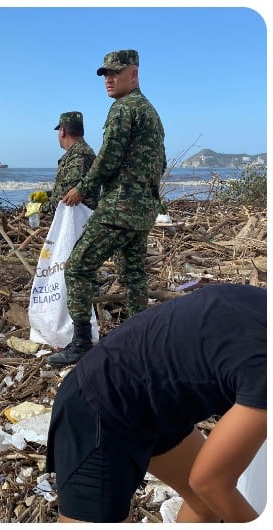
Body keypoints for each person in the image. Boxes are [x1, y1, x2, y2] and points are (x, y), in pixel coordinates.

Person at [47, 283, 266, 523]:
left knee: (206, 504)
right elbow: (210, 482)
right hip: (96, 407)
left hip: (155, 403)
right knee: (211, 490)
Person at [47, 49, 166, 367]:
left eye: (116, 73)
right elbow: (160, 161)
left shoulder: (124, 108)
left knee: (77, 267)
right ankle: (141, 340)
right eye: (106, 74)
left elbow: (108, 157)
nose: (109, 79)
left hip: (120, 208)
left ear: (134, 74)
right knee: (133, 274)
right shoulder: (150, 112)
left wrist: (82, 189)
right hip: (142, 210)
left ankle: (81, 343)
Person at [25, 111, 98, 221]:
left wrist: (40, 207)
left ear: (63, 131)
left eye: (58, 131)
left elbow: (65, 200)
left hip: (78, 223)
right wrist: (47, 195)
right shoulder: (78, 153)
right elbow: (67, 189)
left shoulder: (79, 156)